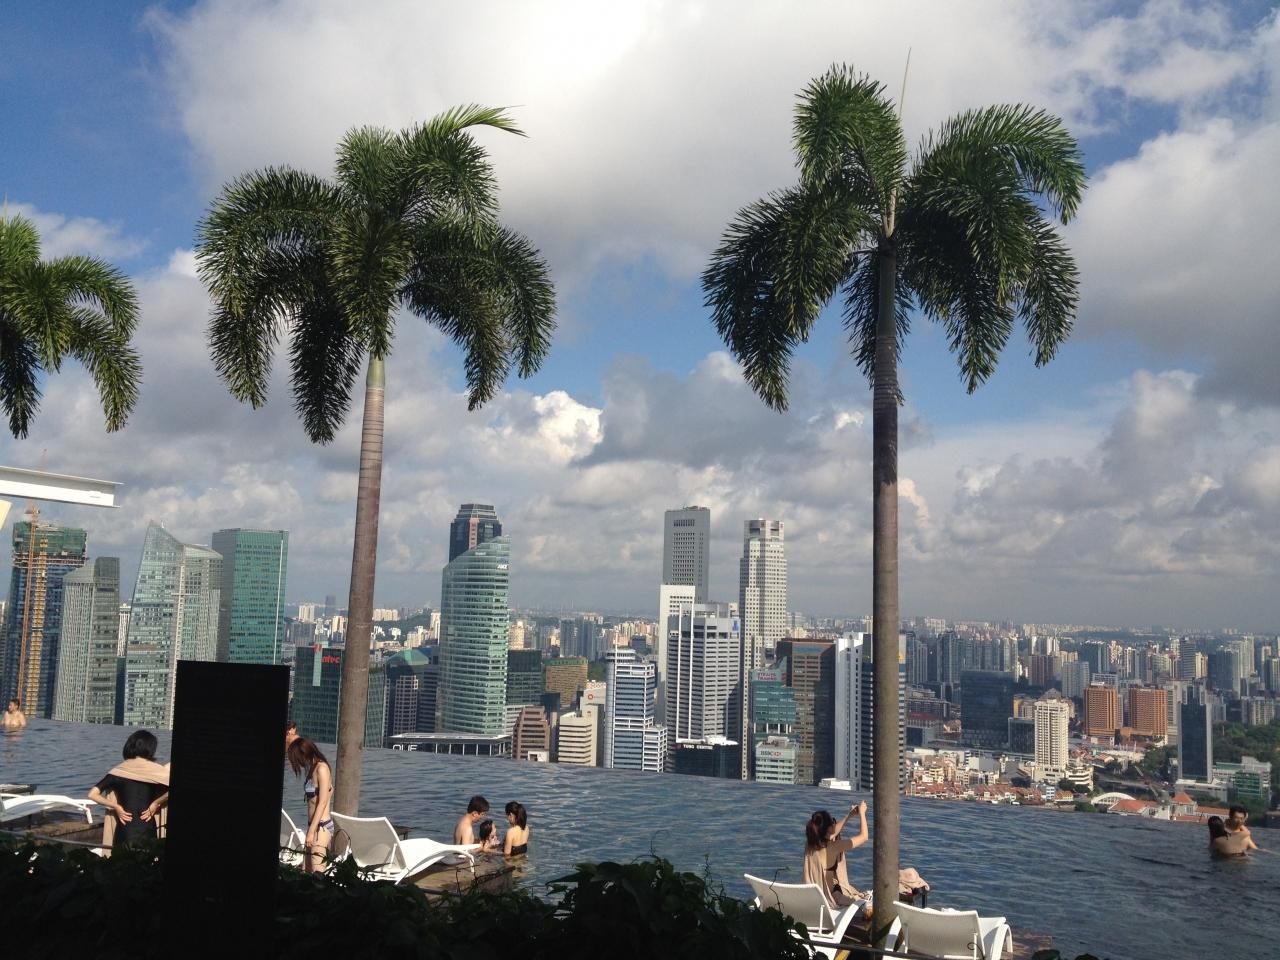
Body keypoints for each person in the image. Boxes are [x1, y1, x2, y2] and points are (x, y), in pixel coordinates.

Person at [87, 729, 169, 853]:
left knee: (122, 862)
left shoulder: (118, 771)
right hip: (147, 829)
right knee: (147, 862)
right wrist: (156, 803)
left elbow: (92, 794)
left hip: (125, 829)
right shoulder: (158, 772)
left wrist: (116, 807)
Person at [803, 801, 872, 919]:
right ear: (829, 828)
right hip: (831, 899)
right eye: (833, 822)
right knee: (868, 903)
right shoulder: (834, 847)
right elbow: (864, 837)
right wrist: (862, 813)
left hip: (814, 900)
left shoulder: (810, 846)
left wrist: (849, 815)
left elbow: (831, 834)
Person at [287, 737, 333, 873]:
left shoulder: (322, 768)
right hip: (312, 826)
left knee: (317, 872)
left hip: (321, 827)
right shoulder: (312, 768)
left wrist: (312, 831)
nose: (299, 763)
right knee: (306, 871)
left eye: (298, 759)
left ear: (305, 753)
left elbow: (322, 802)